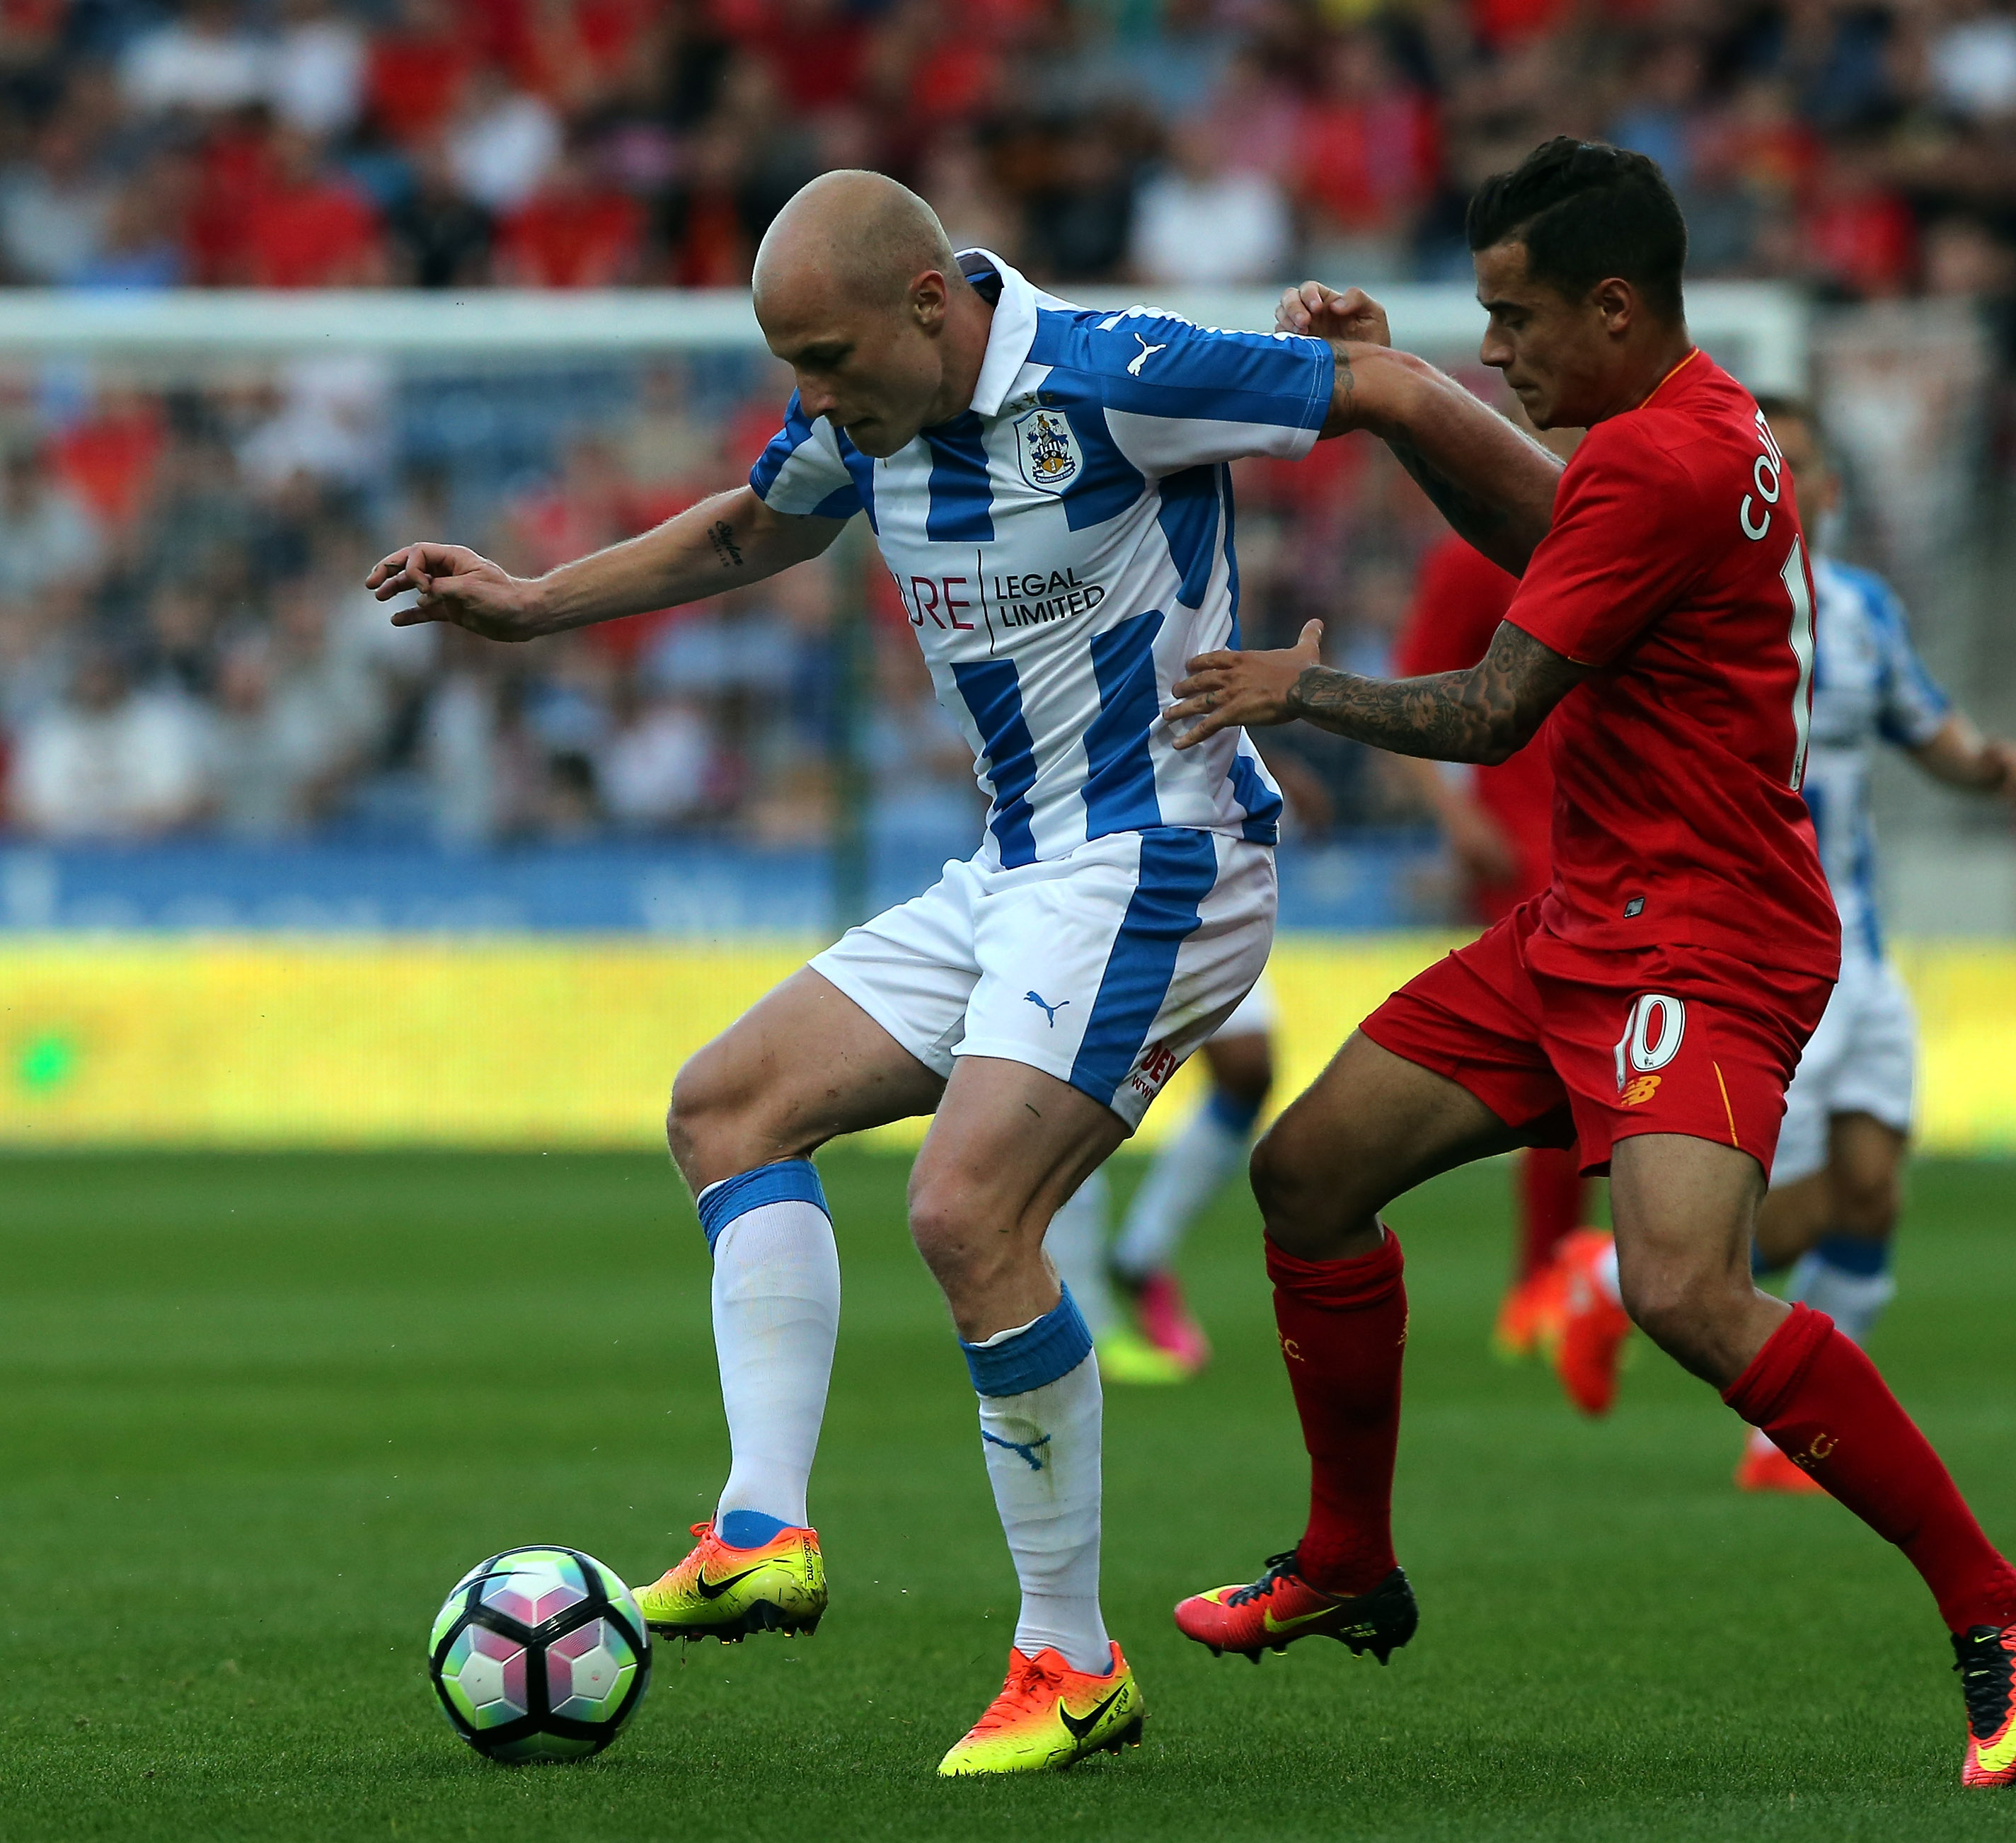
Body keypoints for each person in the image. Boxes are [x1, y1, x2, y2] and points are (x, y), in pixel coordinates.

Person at [366, 168, 1557, 1777]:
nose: (816, 399)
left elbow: (1388, 385)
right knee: (728, 1108)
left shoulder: (1116, 376)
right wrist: (528, 604)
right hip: (1013, 872)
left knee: (964, 1208)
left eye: (831, 361)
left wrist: (1580, 546)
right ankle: (762, 1529)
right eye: (794, 367)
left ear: (933, 304)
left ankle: (1069, 1659)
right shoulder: (865, 414)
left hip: (1158, 860)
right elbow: (747, 523)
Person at [1160, 139, 2016, 1790]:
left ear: (1613, 303)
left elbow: (1489, 710)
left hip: (1710, 932)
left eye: (1514, 320)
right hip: (1594, 919)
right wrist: (1395, 385)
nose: (1500, 350)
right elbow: (1532, 523)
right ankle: (1348, 1562)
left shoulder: (1662, 465)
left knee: (1680, 1291)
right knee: (1309, 1175)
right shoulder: (1695, 426)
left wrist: (1300, 692)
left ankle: (2000, 1606)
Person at [1533, 399, 2016, 1500]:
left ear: (1828, 488)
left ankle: (1784, 1443)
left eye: (1809, 465)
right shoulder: (1701, 599)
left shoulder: (1863, 611)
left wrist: (1991, 765)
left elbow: (1927, 726)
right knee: (1770, 1206)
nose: (1797, 484)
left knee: (1873, 1193)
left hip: (1866, 949)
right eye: (1783, 464)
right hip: (1759, 948)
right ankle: (1611, 1277)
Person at [1391, 526, 1589, 1358]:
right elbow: (1411, 686)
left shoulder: (1639, 518)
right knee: (1572, 1070)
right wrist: (1458, 817)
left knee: (1599, 1074)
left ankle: (1571, 1278)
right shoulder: (1481, 554)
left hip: (1630, 838)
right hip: (1531, 853)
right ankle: (1546, 1283)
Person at [1046, 982, 1277, 1382]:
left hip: (1202, 918)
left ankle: (1142, 1255)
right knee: (1068, 1067)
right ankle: (1085, 1324)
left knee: (1247, 1068)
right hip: (1084, 922)